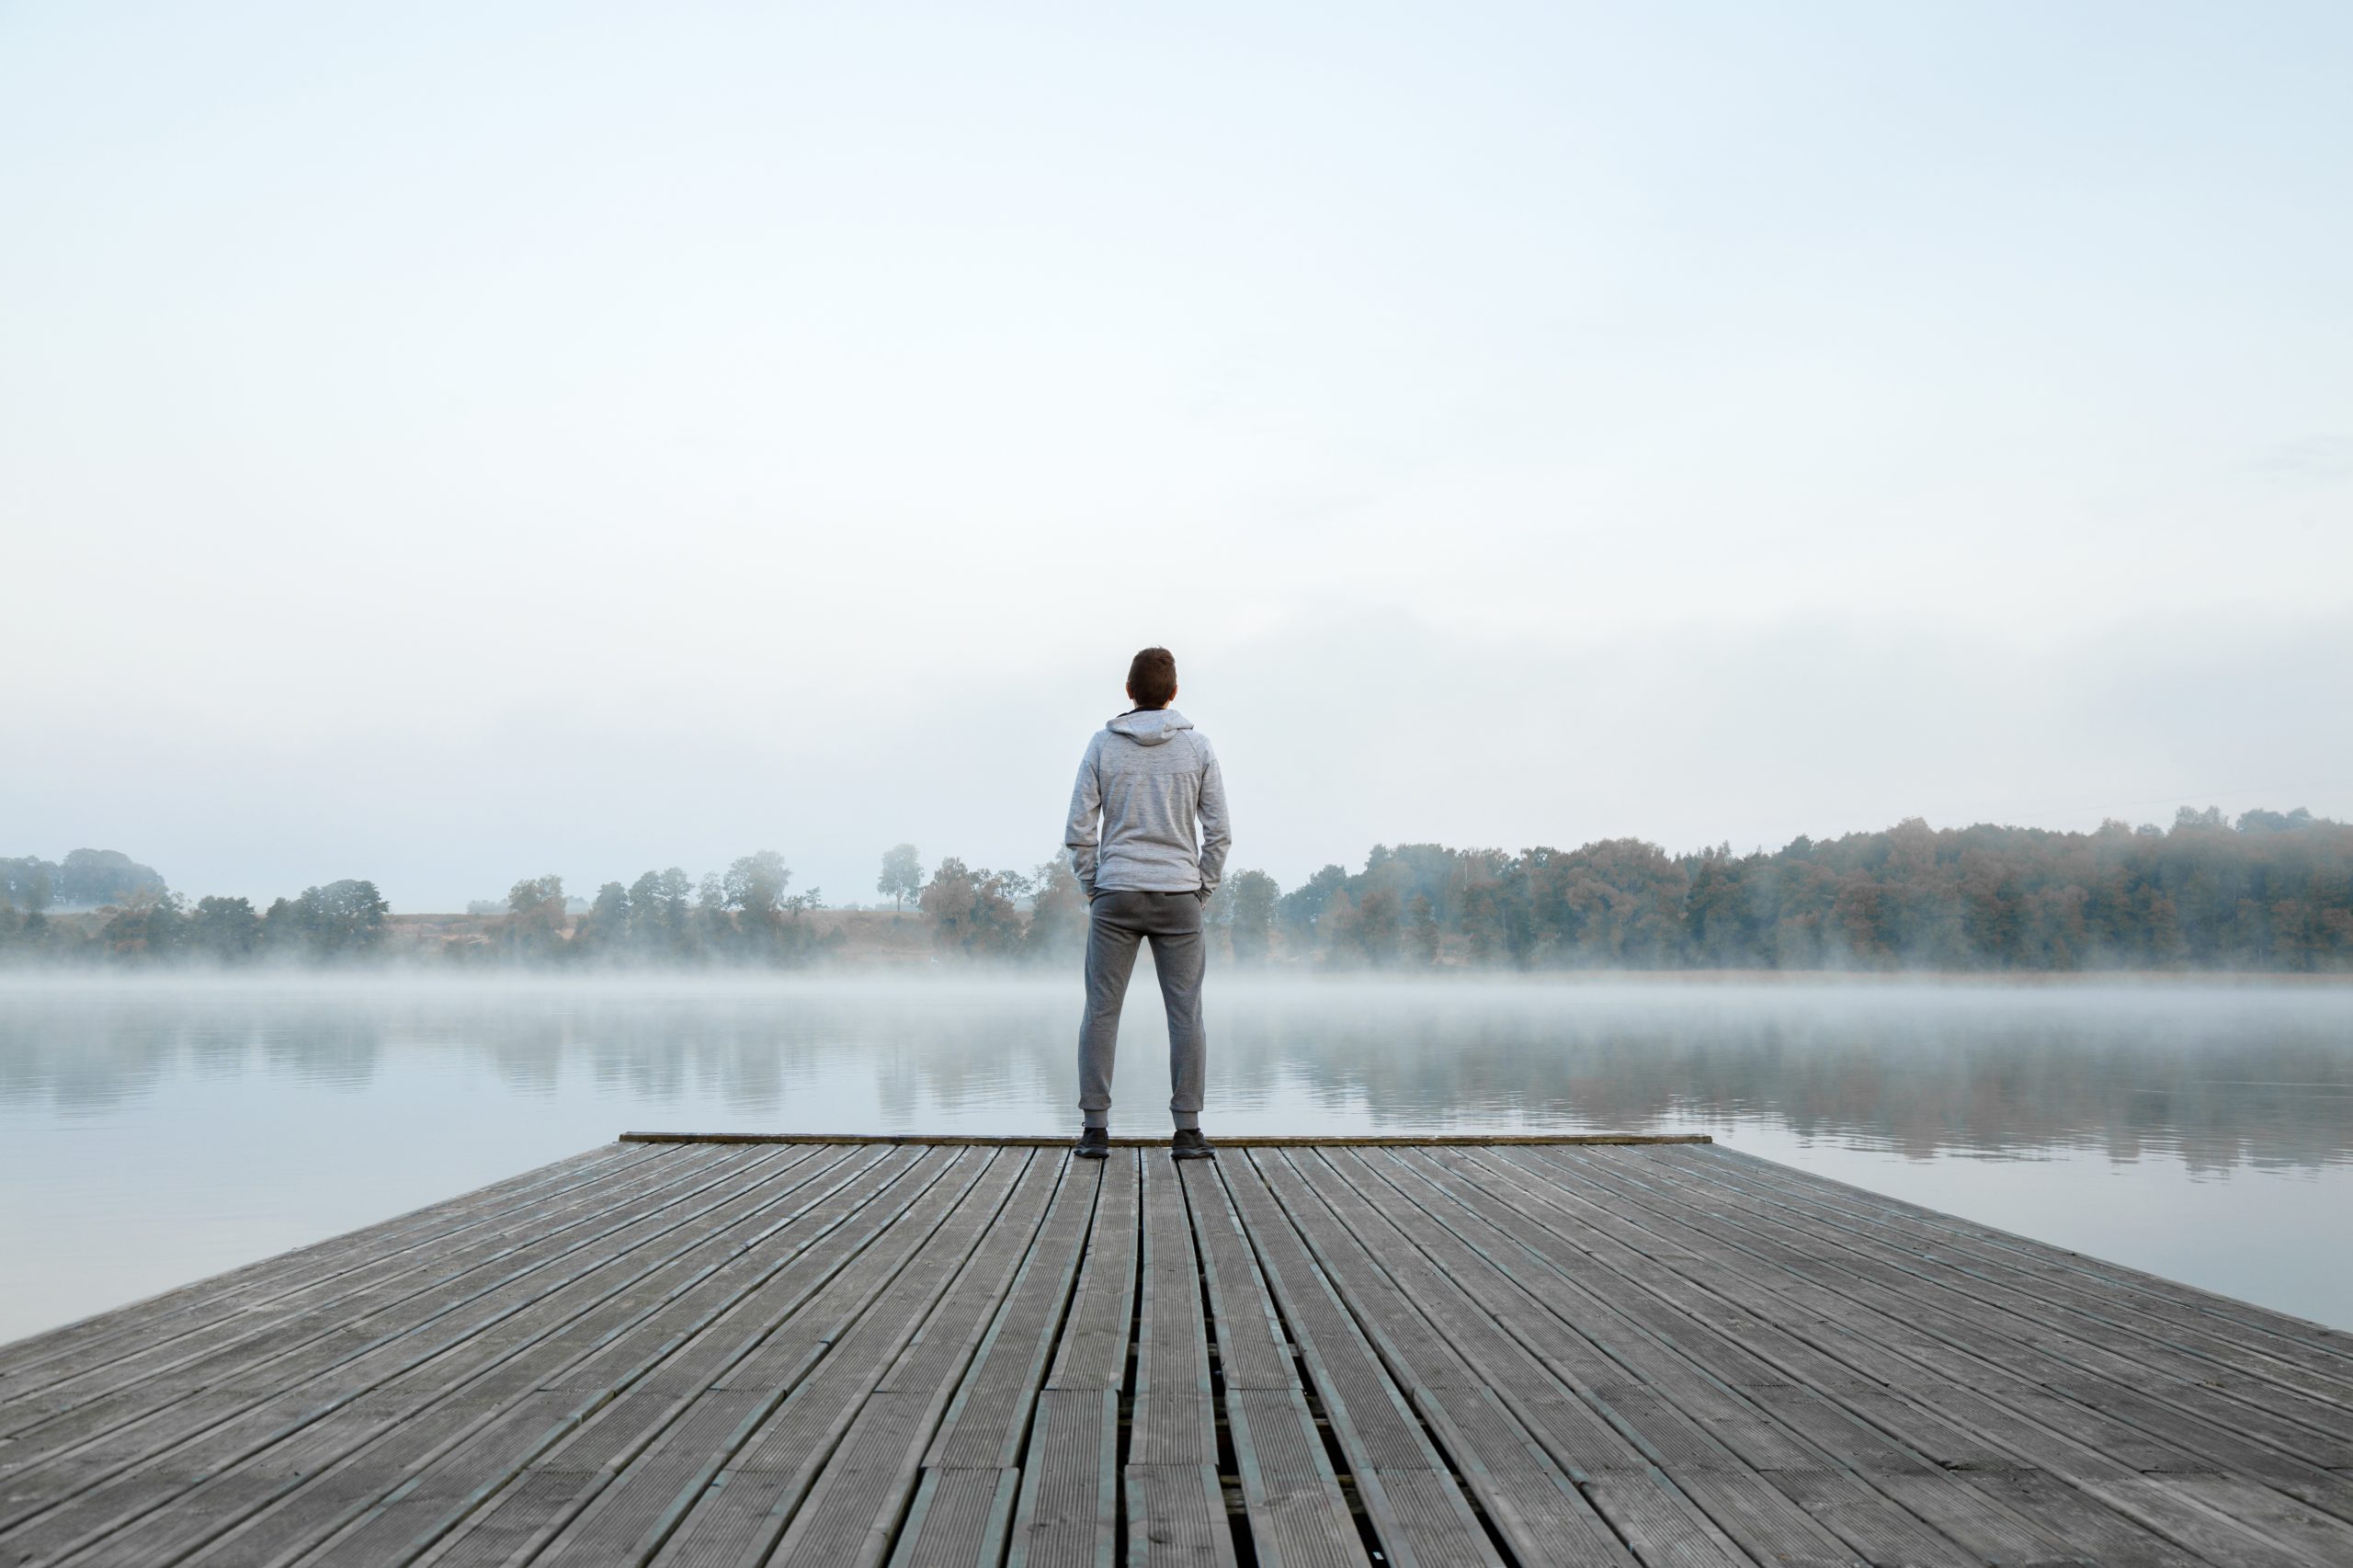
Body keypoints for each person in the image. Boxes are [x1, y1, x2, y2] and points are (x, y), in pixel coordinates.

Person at [1063, 646, 1230, 1159]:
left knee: (1101, 1011)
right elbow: (1219, 831)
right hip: (1179, 897)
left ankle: (1095, 1131)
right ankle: (1187, 1132)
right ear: (1174, 693)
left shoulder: (1102, 745)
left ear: (1129, 692)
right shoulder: (1198, 748)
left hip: (1115, 894)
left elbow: (1079, 829)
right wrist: (1201, 888)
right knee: (1186, 1015)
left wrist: (1095, 886)